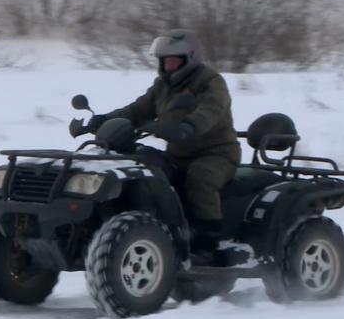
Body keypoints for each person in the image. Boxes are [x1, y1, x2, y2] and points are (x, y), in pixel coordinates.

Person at [89, 30, 240, 237]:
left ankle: (208, 238)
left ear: (190, 58)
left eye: (173, 61)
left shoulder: (211, 82)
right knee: (145, 166)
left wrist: (189, 125)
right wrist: (104, 120)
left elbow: (211, 110)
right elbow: (137, 110)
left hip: (216, 154)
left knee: (200, 178)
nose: (168, 66)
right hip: (177, 155)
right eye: (165, 61)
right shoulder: (162, 86)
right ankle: (157, 226)